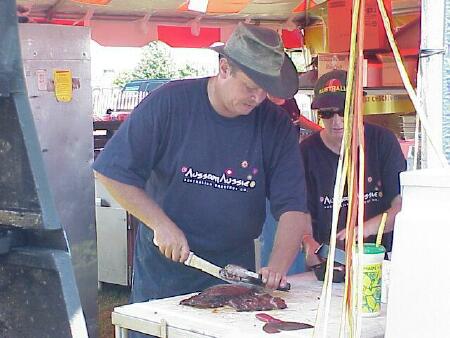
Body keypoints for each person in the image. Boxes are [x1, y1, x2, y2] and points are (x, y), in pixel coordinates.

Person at [93, 22, 312, 332]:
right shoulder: (169, 104)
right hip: (164, 273)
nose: (258, 97)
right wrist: (160, 224)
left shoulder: (274, 126)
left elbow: (292, 206)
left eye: (266, 89)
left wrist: (276, 267)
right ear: (224, 69)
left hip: (234, 274)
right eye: (251, 86)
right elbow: (111, 171)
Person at [300, 69, 406, 267]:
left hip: (379, 257)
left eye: (344, 111)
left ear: (358, 107)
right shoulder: (306, 152)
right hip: (329, 262)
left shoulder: (383, 141)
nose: (337, 121)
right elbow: (302, 213)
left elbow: (400, 207)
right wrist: (308, 244)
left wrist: (361, 230)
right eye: (327, 113)